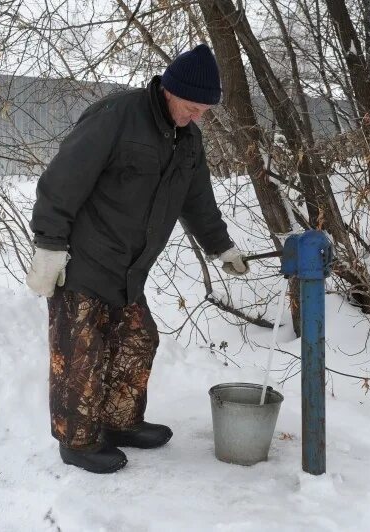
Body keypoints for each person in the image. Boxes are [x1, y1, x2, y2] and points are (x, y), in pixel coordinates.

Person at [26, 44, 249, 474]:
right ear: (169, 90)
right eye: (191, 107)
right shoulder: (117, 118)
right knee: (80, 353)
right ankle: (77, 442)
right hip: (84, 259)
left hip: (130, 268)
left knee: (137, 339)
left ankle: (119, 423)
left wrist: (221, 246)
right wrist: (50, 246)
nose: (196, 116)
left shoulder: (189, 141)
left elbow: (198, 201)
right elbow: (61, 180)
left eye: (204, 110)